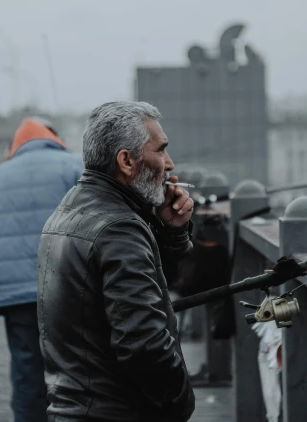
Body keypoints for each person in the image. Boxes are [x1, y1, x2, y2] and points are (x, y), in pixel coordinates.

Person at [38, 101, 196, 421]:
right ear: (126, 160)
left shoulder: (69, 212)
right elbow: (143, 342)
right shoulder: (118, 229)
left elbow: (141, 286)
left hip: (74, 407)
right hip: (114, 412)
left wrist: (170, 230)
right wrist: (180, 403)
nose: (169, 164)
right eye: (161, 150)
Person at [0, 117, 84, 422]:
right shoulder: (74, 165)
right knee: (76, 365)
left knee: (26, 370)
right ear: (53, 138)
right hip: (67, 285)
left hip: (17, 293)